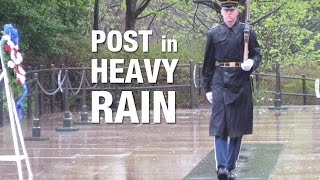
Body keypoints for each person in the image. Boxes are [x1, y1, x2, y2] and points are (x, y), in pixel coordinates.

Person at [201, 0, 262, 179]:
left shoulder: (247, 32)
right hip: (220, 81)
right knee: (219, 126)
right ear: (221, 12)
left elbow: (257, 53)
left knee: (237, 127)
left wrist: (251, 63)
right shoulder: (213, 33)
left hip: (240, 81)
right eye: (226, 11)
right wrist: (207, 88)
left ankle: (229, 166)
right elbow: (208, 63)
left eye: (232, 10)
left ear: (237, 12)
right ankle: (221, 167)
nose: (229, 13)